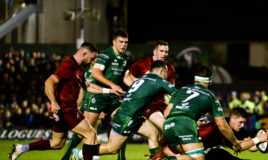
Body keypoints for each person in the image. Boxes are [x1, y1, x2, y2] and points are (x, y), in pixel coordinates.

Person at [9, 42, 123, 160]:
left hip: (60, 110)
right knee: (90, 134)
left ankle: (21, 148)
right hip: (66, 108)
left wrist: (110, 91)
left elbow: (88, 87)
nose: (92, 61)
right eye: (92, 57)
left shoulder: (79, 68)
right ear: (84, 53)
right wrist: (53, 101)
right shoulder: (68, 64)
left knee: (57, 143)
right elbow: (49, 81)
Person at [73, 61, 177, 159]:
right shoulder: (160, 81)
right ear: (161, 72)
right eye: (167, 72)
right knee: (113, 149)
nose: (167, 75)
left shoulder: (142, 79)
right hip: (127, 117)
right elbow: (179, 95)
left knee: (153, 133)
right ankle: (80, 154)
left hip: (130, 115)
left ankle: (156, 158)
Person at [61, 30, 129, 160]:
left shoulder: (125, 59)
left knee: (123, 120)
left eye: (126, 42)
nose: (124, 45)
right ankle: (68, 155)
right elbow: (87, 86)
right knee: (86, 131)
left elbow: (125, 78)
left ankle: (121, 157)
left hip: (113, 97)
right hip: (97, 98)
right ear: (114, 42)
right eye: (121, 42)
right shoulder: (100, 60)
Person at [160, 65, 242, 160]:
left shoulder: (182, 90)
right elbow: (222, 126)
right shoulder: (210, 97)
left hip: (168, 125)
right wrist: (235, 143)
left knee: (187, 156)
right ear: (210, 81)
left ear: (195, 79)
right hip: (185, 124)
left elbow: (166, 114)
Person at [122, 40, 175, 159]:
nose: (164, 54)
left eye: (166, 52)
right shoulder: (142, 64)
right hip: (148, 106)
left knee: (161, 134)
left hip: (161, 105)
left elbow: (170, 92)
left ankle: (155, 156)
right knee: (167, 129)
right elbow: (127, 77)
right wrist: (137, 91)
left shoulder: (169, 69)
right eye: (161, 51)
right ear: (154, 52)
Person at [198, 107, 268, 160]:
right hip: (197, 151)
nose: (242, 125)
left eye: (244, 123)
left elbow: (251, 147)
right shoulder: (223, 125)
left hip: (212, 150)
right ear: (231, 118)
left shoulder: (239, 129)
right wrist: (258, 139)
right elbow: (238, 147)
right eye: (240, 122)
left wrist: (260, 143)